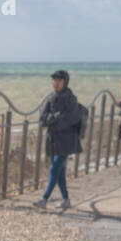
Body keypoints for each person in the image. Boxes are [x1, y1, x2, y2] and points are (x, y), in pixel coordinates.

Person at [33, 69, 84, 211]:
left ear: (65, 81)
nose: (56, 83)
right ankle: (66, 199)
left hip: (67, 139)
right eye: (54, 80)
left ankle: (44, 199)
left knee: (55, 167)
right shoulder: (50, 98)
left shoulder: (71, 99)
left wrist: (53, 120)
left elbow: (71, 119)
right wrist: (56, 117)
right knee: (59, 171)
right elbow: (42, 120)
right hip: (53, 139)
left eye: (59, 80)